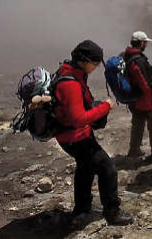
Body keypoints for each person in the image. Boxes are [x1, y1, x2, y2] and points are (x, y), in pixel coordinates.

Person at [54, 40, 133, 226]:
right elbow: (78, 119)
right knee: (108, 170)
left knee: (85, 168)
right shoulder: (71, 84)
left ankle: (82, 209)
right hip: (76, 137)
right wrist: (104, 107)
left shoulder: (69, 72)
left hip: (70, 136)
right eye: (95, 63)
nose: (96, 67)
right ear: (83, 60)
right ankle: (112, 213)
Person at [124, 31, 152, 161]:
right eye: (145, 43)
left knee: (137, 124)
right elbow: (145, 83)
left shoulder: (127, 56)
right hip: (145, 100)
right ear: (141, 43)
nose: (146, 45)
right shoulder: (139, 60)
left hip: (134, 99)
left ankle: (134, 150)